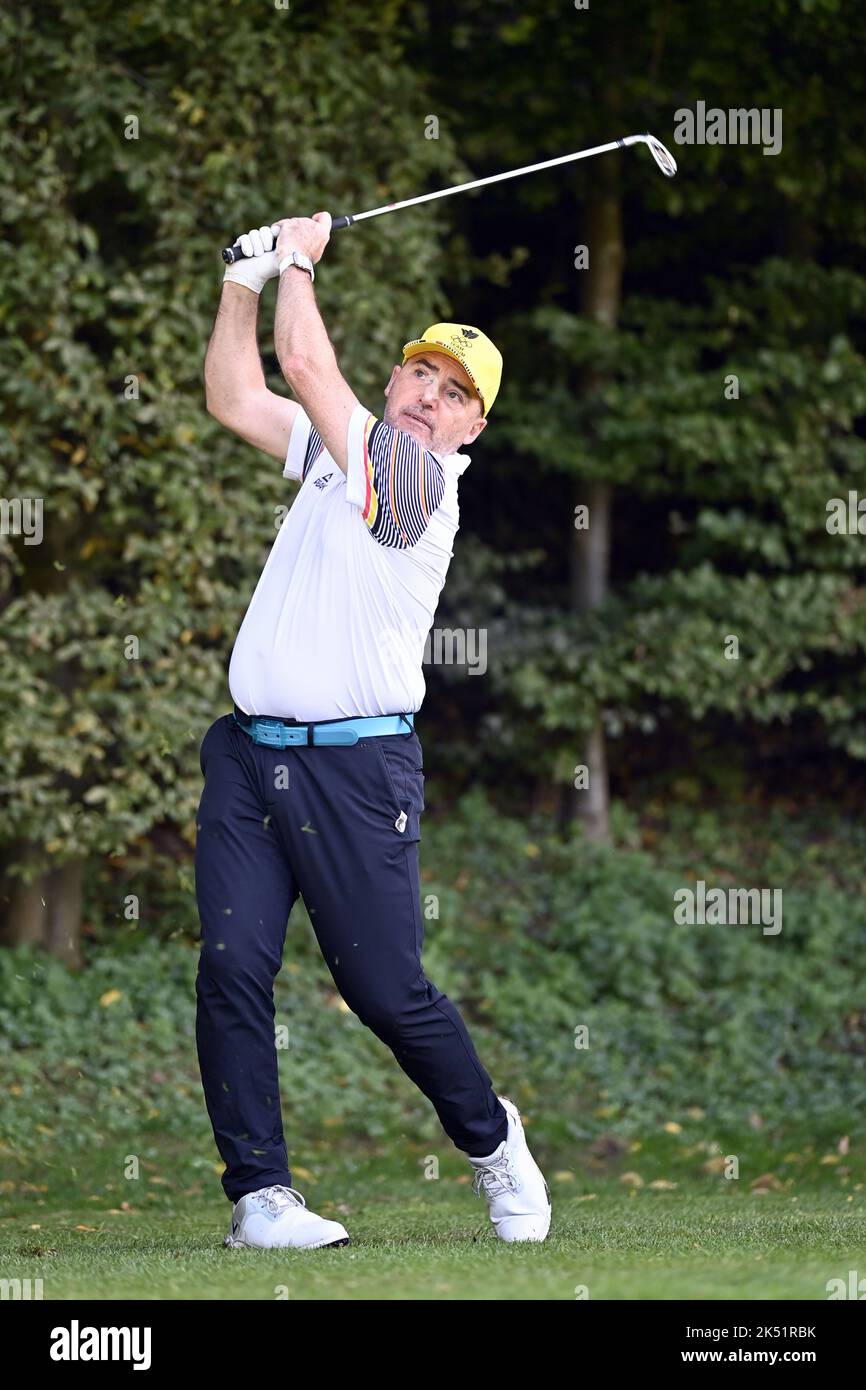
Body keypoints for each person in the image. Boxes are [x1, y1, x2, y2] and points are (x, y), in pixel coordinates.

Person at [197, 214, 551, 1249]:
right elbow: (233, 395)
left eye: (454, 394)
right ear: (396, 381)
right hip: (249, 755)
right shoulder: (333, 453)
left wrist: (297, 258)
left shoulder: (415, 486)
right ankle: (260, 1194)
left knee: (384, 988)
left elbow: (305, 361)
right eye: (419, 376)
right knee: (230, 962)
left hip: (359, 768)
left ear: (468, 428)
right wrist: (242, 282)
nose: (429, 397)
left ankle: (492, 1143)